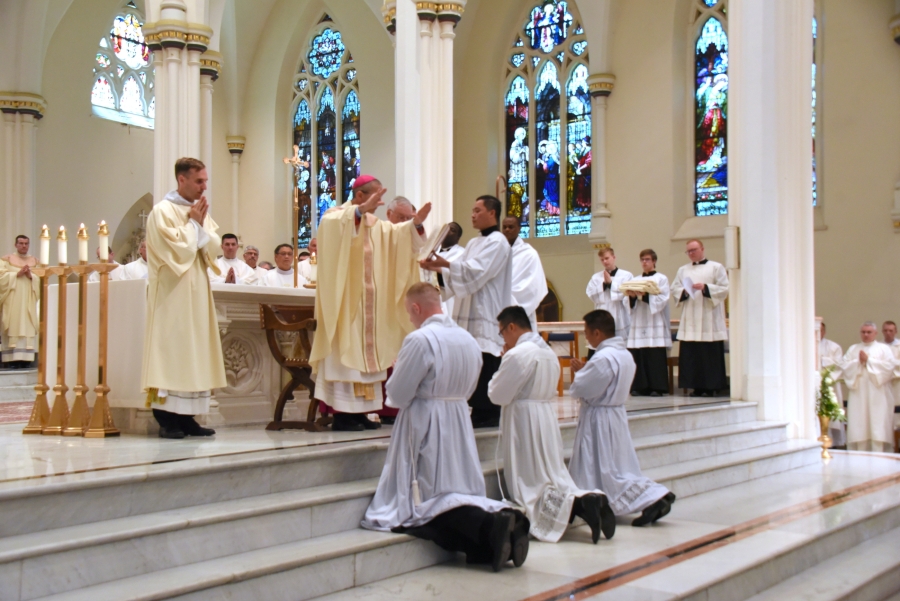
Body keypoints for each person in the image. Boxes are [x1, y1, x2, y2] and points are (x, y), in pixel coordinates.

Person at [361, 283, 529, 572]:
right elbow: (473, 384)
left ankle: (489, 525)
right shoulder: (468, 339)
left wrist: (399, 367)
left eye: (409, 314)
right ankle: (495, 527)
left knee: (425, 498)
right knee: (456, 486)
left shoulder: (420, 339)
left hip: (426, 420)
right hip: (459, 419)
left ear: (416, 308)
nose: (411, 320)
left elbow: (399, 395)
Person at [310, 175, 429, 432]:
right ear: (360, 195)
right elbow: (331, 231)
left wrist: (415, 224)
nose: (380, 202)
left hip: (371, 307)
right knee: (346, 357)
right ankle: (343, 415)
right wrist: (359, 211)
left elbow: (399, 236)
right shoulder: (336, 216)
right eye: (376, 196)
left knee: (371, 356)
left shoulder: (377, 225)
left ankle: (362, 412)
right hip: (346, 305)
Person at [488, 306, 615, 544]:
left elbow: (497, 394)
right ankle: (584, 500)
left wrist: (503, 362)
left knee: (532, 482)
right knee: (551, 473)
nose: (503, 338)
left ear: (512, 327)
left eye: (502, 332)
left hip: (523, 421)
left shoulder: (518, 354)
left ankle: (576, 503)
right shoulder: (546, 351)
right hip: (545, 417)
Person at [142, 157, 225, 439]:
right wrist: (193, 225)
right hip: (172, 295)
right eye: (199, 181)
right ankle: (167, 419)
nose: (204, 187)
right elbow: (176, 252)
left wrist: (198, 225)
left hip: (197, 293)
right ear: (182, 180)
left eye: (205, 181)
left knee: (194, 351)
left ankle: (188, 418)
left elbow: (212, 245)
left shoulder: (197, 211)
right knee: (172, 352)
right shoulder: (161, 212)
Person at [568, 310, 675, 526]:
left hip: (599, 420)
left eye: (587, 333)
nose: (586, 337)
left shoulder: (603, 358)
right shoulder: (624, 354)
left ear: (597, 333)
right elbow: (604, 381)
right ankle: (653, 496)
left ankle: (653, 497)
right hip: (615, 415)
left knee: (609, 472)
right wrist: (587, 370)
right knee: (621, 466)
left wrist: (581, 374)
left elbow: (581, 388)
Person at [421, 195, 512, 429]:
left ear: (492, 213)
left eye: (477, 210)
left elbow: (477, 272)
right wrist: (438, 270)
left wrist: (444, 264)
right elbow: (462, 274)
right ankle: (478, 407)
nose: (472, 215)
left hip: (487, 307)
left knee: (487, 357)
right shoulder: (473, 243)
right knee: (475, 358)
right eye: (472, 210)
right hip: (471, 304)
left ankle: (490, 411)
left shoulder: (498, 241)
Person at [671, 239, 729, 397]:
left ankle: (711, 387)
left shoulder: (716, 267)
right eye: (688, 251)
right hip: (691, 316)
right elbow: (675, 288)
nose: (691, 253)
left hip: (709, 316)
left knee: (708, 355)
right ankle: (695, 386)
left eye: (694, 250)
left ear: (702, 249)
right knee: (692, 355)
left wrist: (706, 288)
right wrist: (684, 291)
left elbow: (724, 288)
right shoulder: (683, 270)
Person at [840, 322, 896, 452]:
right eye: (863, 332)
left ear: (875, 333)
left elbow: (889, 367)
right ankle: (859, 454)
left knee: (877, 424)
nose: (866, 335)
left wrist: (869, 361)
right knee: (860, 424)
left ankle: (879, 454)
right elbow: (845, 366)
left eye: (869, 332)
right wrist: (858, 362)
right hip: (858, 393)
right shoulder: (853, 348)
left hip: (878, 393)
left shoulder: (883, 349)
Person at [625, 249, 671, 397]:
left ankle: (657, 387)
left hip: (654, 320)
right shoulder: (635, 279)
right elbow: (628, 303)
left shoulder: (661, 278)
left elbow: (663, 299)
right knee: (639, 353)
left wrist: (645, 296)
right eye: (642, 260)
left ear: (654, 262)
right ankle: (639, 386)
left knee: (654, 354)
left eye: (647, 260)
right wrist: (631, 297)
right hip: (639, 319)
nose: (644, 262)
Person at [501, 217, 548, 331]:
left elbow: (533, 286)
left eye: (511, 227)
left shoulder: (529, 254)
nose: (507, 230)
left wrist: (507, 298)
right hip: (497, 311)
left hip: (521, 314)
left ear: (519, 229)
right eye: (504, 227)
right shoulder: (497, 252)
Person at [0, 236, 39, 367]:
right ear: (15, 245)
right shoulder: (6, 260)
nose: (24, 246)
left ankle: (27, 359)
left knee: (28, 325)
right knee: (13, 324)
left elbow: (42, 280)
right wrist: (16, 274)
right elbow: (1, 277)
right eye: (21, 243)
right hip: (13, 301)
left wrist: (30, 276)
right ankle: (11, 359)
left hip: (29, 302)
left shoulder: (35, 261)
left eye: (26, 243)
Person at [585, 247, 632, 341]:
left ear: (613, 257)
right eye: (602, 260)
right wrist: (603, 285)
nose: (605, 262)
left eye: (607, 258)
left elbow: (628, 294)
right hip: (602, 313)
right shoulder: (596, 277)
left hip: (619, 314)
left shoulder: (626, 275)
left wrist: (611, 284)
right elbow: (590, 293)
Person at [818, 322, 846, 447]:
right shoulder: (806, 344)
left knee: (831, 414)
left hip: (830, 385)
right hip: (813, 385)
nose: (819, 332)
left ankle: (834, 443)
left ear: (825, 331)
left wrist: (823, 360)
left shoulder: (834, 347)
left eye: (822, 330)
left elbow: (839, 365)